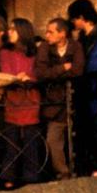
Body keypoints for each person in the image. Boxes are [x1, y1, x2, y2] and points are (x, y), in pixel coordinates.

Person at [0, 19, 44, 189]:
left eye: (13, 29)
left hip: (31, 99)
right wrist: (19, 78)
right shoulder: (5, 52)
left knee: (31, 141)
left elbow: (39, 72)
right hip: (13, 99)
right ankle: (8, 178)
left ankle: (32, 177)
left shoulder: (34, 52)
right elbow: (6, 72)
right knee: (11, 142)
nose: (10, 32)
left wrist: (29, 78)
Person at [35, 17, 83, 179]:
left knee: (77, 137)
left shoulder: (75, 46)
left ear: (62, 34)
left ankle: (81, 169)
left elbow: (78, 70)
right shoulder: (44, 47)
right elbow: (41, 73)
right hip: (54, 102)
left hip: (75, 100)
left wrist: (53, 72)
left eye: (51, 32)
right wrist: (62, 68)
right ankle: (63, 172)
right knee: (53, 139)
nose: (47, 35)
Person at [68, 0, 97, 174]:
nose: (73, 22)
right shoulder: (83, 38)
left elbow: (96, 62)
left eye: (74, 18)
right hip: (86, 87)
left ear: (81, 17)